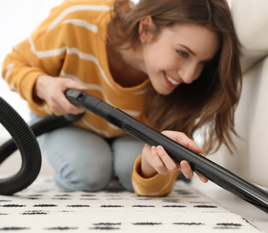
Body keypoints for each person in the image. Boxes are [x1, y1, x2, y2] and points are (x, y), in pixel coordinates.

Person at [1, 0, 242, 196]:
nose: (190, 76)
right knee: (88, 170)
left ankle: (116, 166)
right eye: (182, 52)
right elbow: (13, 64)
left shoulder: (181, 90)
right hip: (66, 122)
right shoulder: (79, 18)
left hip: (125, 134)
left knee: (132, 170)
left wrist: (152, 166)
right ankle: (102, 165)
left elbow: (154, 185)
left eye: (202, 63)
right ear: (145, 28)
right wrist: (44, 85)